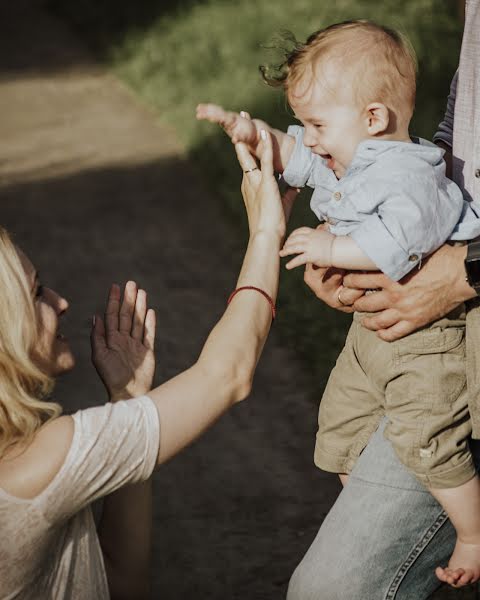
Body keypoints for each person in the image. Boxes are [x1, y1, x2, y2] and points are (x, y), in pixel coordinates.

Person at [197, 18, 480, 588]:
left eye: (318, 124)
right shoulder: (354, 153)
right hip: (374, 338)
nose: (312, 139)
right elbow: (300, 154)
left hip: (428, 347)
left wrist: (331, 244)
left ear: (373, 119)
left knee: (428, 439)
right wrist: (258, 136)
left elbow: (397, 240)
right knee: (338, 426)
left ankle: (472, 532)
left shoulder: (409, 179)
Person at [0, 131, 288, 599]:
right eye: (36, 294)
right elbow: (227, 374)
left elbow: (121, 581)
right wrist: (265, 233)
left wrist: (127, 401)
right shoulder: (36, 466)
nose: (62, 300)